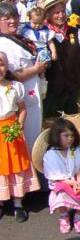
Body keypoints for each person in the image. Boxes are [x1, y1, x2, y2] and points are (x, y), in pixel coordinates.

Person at [0, 3, 46, 152]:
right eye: (6, 18)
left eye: (14, 17)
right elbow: (11, 75)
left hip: (33, 93)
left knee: (35, 133)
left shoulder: (21, 37)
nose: (12, 21)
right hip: (21, 97)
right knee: (27, 139)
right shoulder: (3, 44)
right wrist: (36, 69)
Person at [0, 52, 40, 222]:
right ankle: (1, 201)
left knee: (16, 163)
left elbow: (22, 109)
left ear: (6, 66)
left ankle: (18, 204)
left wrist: (19, 123)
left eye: (1, 64)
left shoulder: (15, 86)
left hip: (12, 129)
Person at [43, 0, 80, 118]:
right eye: (56, 12)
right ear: (48, 15)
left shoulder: (76, 32)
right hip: (52, 92)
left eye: (62, 11)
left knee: (77, 125)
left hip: (75, 89)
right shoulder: (43, 35)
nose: (61, 15)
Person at [42, 118, 80, 234]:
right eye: (66, 135)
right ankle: (64, 215)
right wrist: (73, 183)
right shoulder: (50, 155)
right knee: (61, 191)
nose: (70, 139)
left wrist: (79, 182)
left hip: (75, 179)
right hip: (62, 181)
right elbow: (56, 177)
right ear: (57, 136)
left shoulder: (76, 150)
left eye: (72, 135)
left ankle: (79, 216)